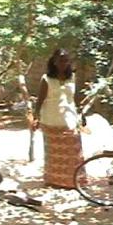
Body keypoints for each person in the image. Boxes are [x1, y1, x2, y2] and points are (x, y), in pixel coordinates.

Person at [32, 48, 84, 189]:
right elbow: (40, 100)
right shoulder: (47, 79)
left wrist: (80, 115)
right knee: (54, 154)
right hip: (51, 120)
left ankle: (74, 181)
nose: (64, 63)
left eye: (66, 60)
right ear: (54, 62)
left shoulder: (72, 77)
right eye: (61, 60)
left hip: (70, 120)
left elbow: (73, 98)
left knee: (73, 151)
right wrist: (36, 117)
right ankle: (54, 181)